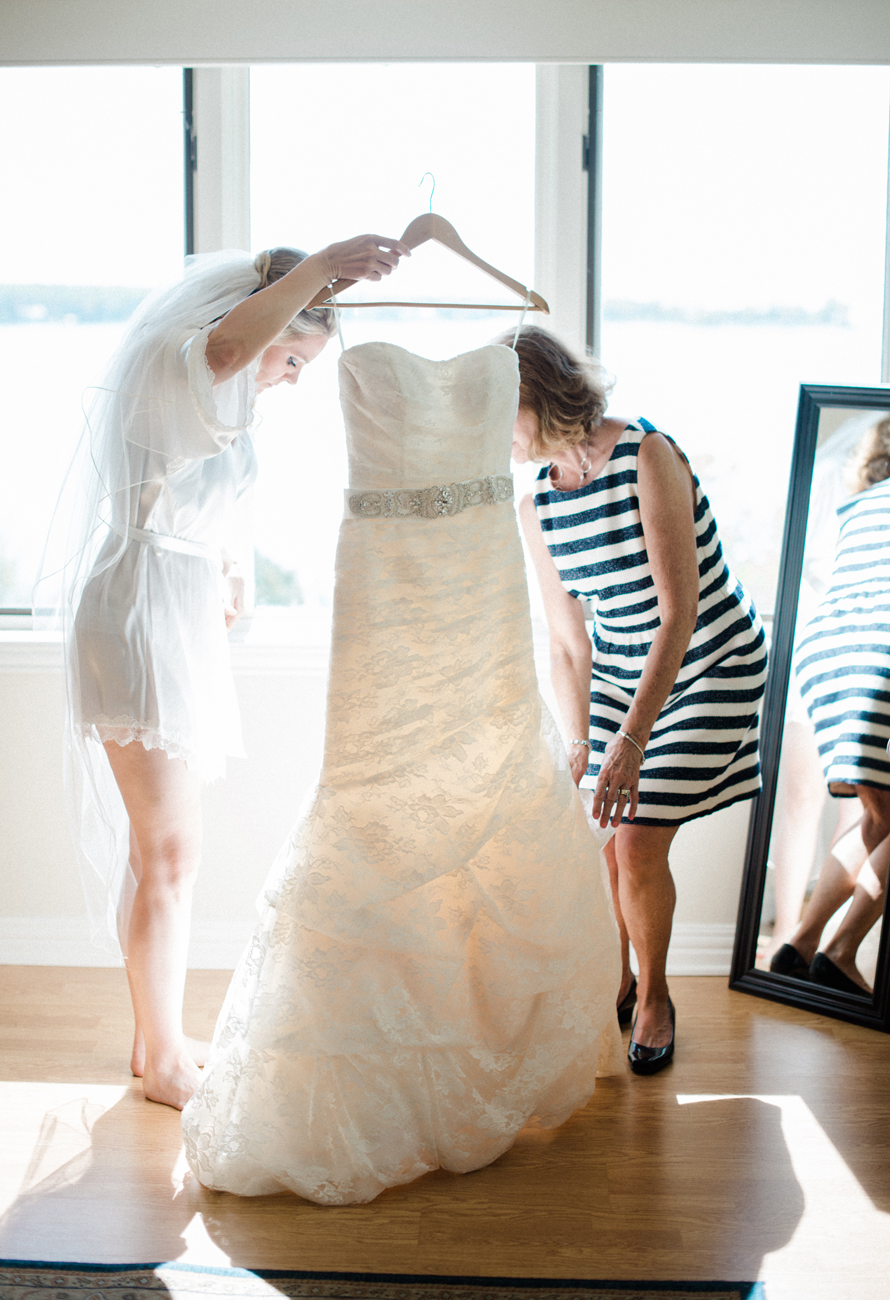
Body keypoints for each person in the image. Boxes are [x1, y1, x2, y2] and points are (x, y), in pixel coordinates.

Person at [181, 332, 622, 1203]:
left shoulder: (512, 342)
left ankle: (481, 1050)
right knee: (375, 785)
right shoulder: (350, 331)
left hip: (481, 580)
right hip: (384, 574)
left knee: (486, 784)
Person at [40, 235, 408, 1111]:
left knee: (157, 847)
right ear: (268, 322)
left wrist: (230, 559)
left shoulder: (213, 385)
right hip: (138, 613)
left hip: (168, 604)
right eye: (295, 357)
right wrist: (325, 267)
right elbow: (235, 348)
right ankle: (164, 1058)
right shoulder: (204, 355)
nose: (291, 376)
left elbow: (195, 480)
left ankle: (152, 1036)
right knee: (173, 850)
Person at [509, 325, 767, 1075]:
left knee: (637, 839)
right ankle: (615, 979)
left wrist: (631, 739)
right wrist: (582, 739)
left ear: (539, 395)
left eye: (502, 411)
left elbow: (679, 610)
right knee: (601, 837)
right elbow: (567, 645)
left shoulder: (645, 453)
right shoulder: (538, 507)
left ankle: (654, 996)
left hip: (708, 658)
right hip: (622, 669)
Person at [771, 423, 890, 995]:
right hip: (878, 657)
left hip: (827, 654)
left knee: (878, 817)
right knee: (884, 818)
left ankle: (800, 943)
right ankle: (840, 952)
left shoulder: (861, 507)